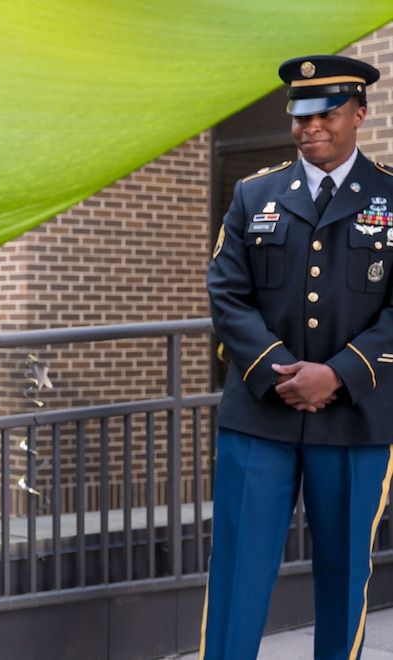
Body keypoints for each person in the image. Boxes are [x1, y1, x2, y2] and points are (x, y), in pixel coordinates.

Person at [202, 54, 393, 659]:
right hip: (260, 414)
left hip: (356, 416)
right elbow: (226, 292)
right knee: (237, 574)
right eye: (299, 114)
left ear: (359, 114)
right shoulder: (253, 193)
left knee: (343, 577)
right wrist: (278, 372)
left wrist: (338, 374)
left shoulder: (391, 196)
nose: (310, 126)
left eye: (327, 113)